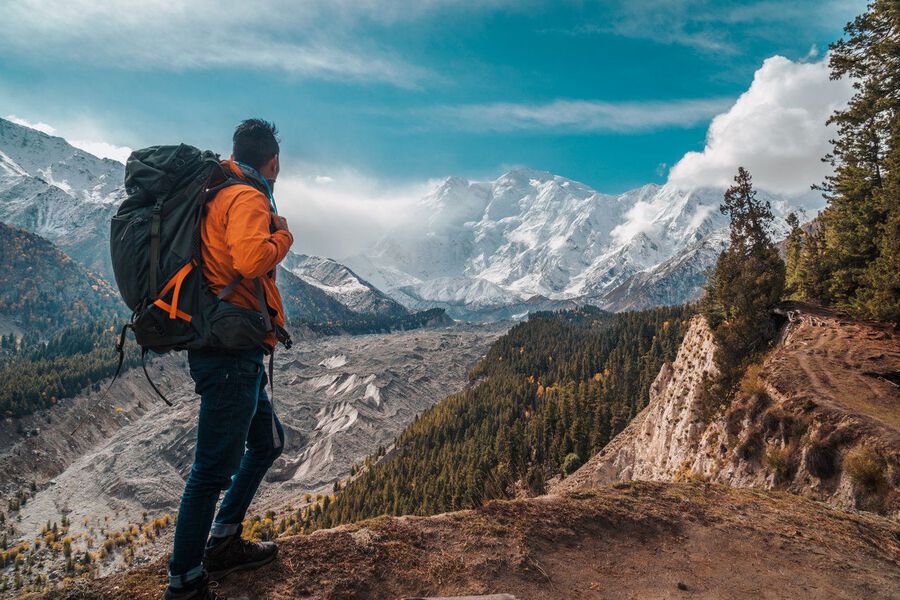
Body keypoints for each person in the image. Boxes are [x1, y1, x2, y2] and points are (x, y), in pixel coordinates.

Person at [165, 119, 293, 600]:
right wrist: (283, 236)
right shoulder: (247, 197)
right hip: (229, 350)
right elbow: (249, 260)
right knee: (211, 471)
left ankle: (222, 543)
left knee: (266, 442)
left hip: (231, 344)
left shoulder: (217, 191)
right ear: (273, 161)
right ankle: (184, 583)